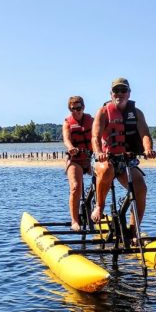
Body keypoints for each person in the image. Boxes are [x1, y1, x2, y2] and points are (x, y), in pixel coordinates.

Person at [90, 77, 156, 229]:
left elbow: (145, 134)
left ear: (129, 93)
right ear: (111, 93)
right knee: (106, 170)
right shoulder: (103, 112)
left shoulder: (137, 113)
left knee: (140, 187)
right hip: (104, 158)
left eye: (123, 90)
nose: (120, 93)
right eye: (116, 90)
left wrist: (148, 149)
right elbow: (95, 136)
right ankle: (99, 206)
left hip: (125, 160)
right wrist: (99, 152)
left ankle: (134, 230)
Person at [62, 95, 94, 231]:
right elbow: (66, 139)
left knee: (104, 181)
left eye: (78, 108)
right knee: (75, 187)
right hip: (75, 160)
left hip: (90, 158)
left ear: (83, 107)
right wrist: (70, 147)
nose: (76, 111)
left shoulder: (91, 120)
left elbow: (99, 135)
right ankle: (74, 221)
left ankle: (97, 209)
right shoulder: (67, 123)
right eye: (72, 109)